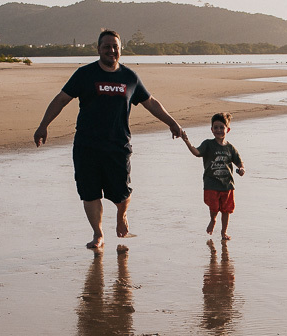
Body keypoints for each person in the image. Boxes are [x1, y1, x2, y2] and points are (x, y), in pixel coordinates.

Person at [33, 29, 185, 251]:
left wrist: (172, 122)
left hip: (118, 146)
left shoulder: (129, 77)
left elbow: (150, 102)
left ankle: (121, 215)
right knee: (90, 192)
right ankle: (98, 234)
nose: (111, 50)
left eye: (115, 47)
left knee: (122, 194)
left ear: (120, 49)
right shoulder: (84, 74)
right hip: (87, 146)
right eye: (107, 46)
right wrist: (43, 125)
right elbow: (61, 99)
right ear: (98, 49)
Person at [181, 112, 245, 240]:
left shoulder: (230, 148)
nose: (219, 130)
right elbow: (197, 152)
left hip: (227, 185)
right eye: (215, 127)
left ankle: (224, 232)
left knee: (226, 210)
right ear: (211, 129)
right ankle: (213, 219)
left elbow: (239, 161)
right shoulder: (208, 144)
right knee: (214, 207)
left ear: (228, 129)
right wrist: (187, 141)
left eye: (222, 127)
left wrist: (241, 168)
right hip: (211, 183)